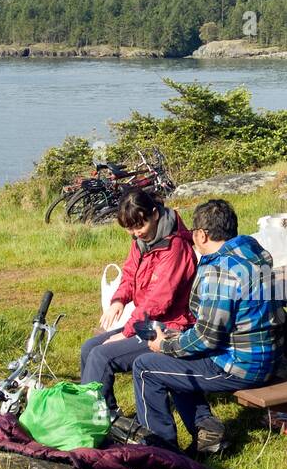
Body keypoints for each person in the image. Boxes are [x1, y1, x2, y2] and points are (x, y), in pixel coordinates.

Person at [128, 199, 284, 452]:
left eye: (194, 234)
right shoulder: (254, 255)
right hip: (267, 355)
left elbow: (207, 338)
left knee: (146, 367)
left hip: (241, 365)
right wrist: (177, 342)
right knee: (175, 363)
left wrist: (165, 344)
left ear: (202, 235)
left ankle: (160, 450)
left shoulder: (221, 270)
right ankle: (208, 432)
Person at [79, 189, 215, 442]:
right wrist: (119, 300)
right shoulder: (143, 241)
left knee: (101, 356)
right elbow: (130, 273)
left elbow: (159, 300)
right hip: (147, 323)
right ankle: (107, 417)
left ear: (154, 214)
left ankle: (93, 425)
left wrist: (125, 333)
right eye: (130, 229)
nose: (135, 232)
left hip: (172, 326)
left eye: (139, 226)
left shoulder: (175, 247)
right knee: (89, 348)